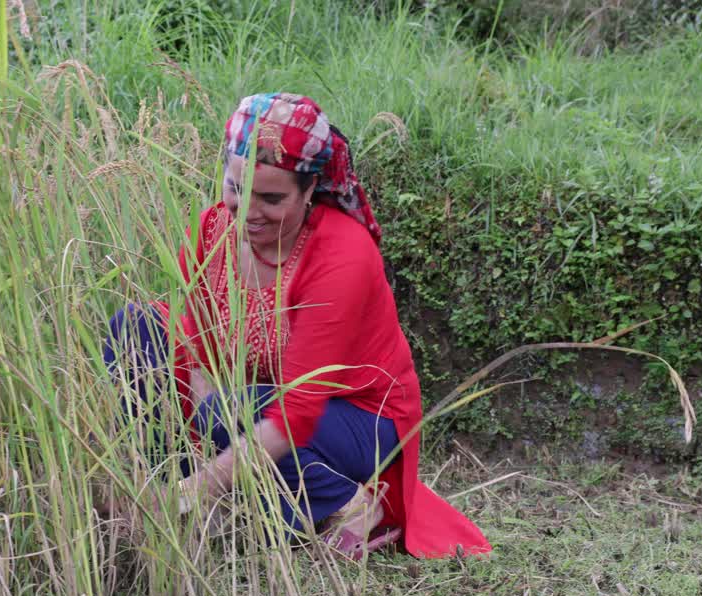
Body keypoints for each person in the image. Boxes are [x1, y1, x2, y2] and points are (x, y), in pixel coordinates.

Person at [103, 93, 489, 559]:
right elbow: (195, 345)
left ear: (310, 192)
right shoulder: (211, 228)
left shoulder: (341, 254)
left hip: (358, 414)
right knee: (137, 327)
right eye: (235, 188)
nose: (247, 212)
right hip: (255, 397)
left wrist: (196, 489)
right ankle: (166, 493)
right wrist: (199, 460)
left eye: (271, 198)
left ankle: (347, 501)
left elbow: (296, 415)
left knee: (232, 412)